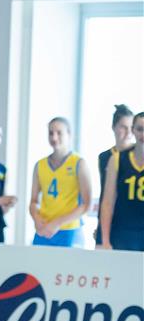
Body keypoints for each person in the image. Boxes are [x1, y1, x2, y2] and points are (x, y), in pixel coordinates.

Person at [29, 117, 91, 247]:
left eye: (59, 133)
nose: (54, 137)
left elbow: (86, 205)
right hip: (44, 230)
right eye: (51, 133)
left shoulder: (79, 163)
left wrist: (58, 223)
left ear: (69, 134)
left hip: (69, 231)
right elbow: (33, 201)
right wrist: (36, 218)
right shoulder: (40, 165)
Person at [99, 111, 144, 252]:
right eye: (140, 129)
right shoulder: (117, 159)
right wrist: (105, 240)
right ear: (133, 130)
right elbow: (107, 203)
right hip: (122, 234)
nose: (143, 134)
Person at [97, 104, 133, 246]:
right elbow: (105, 195)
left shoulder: (137, 157)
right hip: (108, 220)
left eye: (131, 127)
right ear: (114, 127)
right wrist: (101, 227)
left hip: (129, 224)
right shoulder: (104, 157)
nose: (128, 132)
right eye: (123, 127)